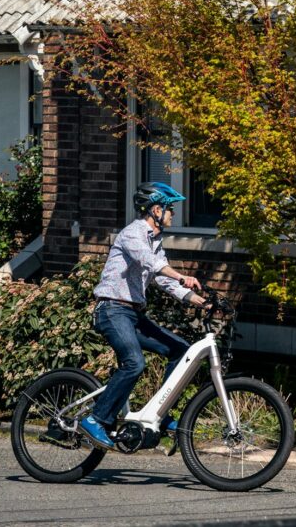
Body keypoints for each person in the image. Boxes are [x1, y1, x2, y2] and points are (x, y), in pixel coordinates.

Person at [79, 181, 207, 450]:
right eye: (170, 209)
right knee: (135, 363)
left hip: (133, 314)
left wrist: (196, 299)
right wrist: (183, 276)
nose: (173, 214)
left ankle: (159, 414)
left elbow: (162, 278)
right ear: (155, 209)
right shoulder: (133, 234)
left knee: (180, 350)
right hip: (112, 309)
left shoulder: (155, 240)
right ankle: (95, 419)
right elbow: (153, 264)